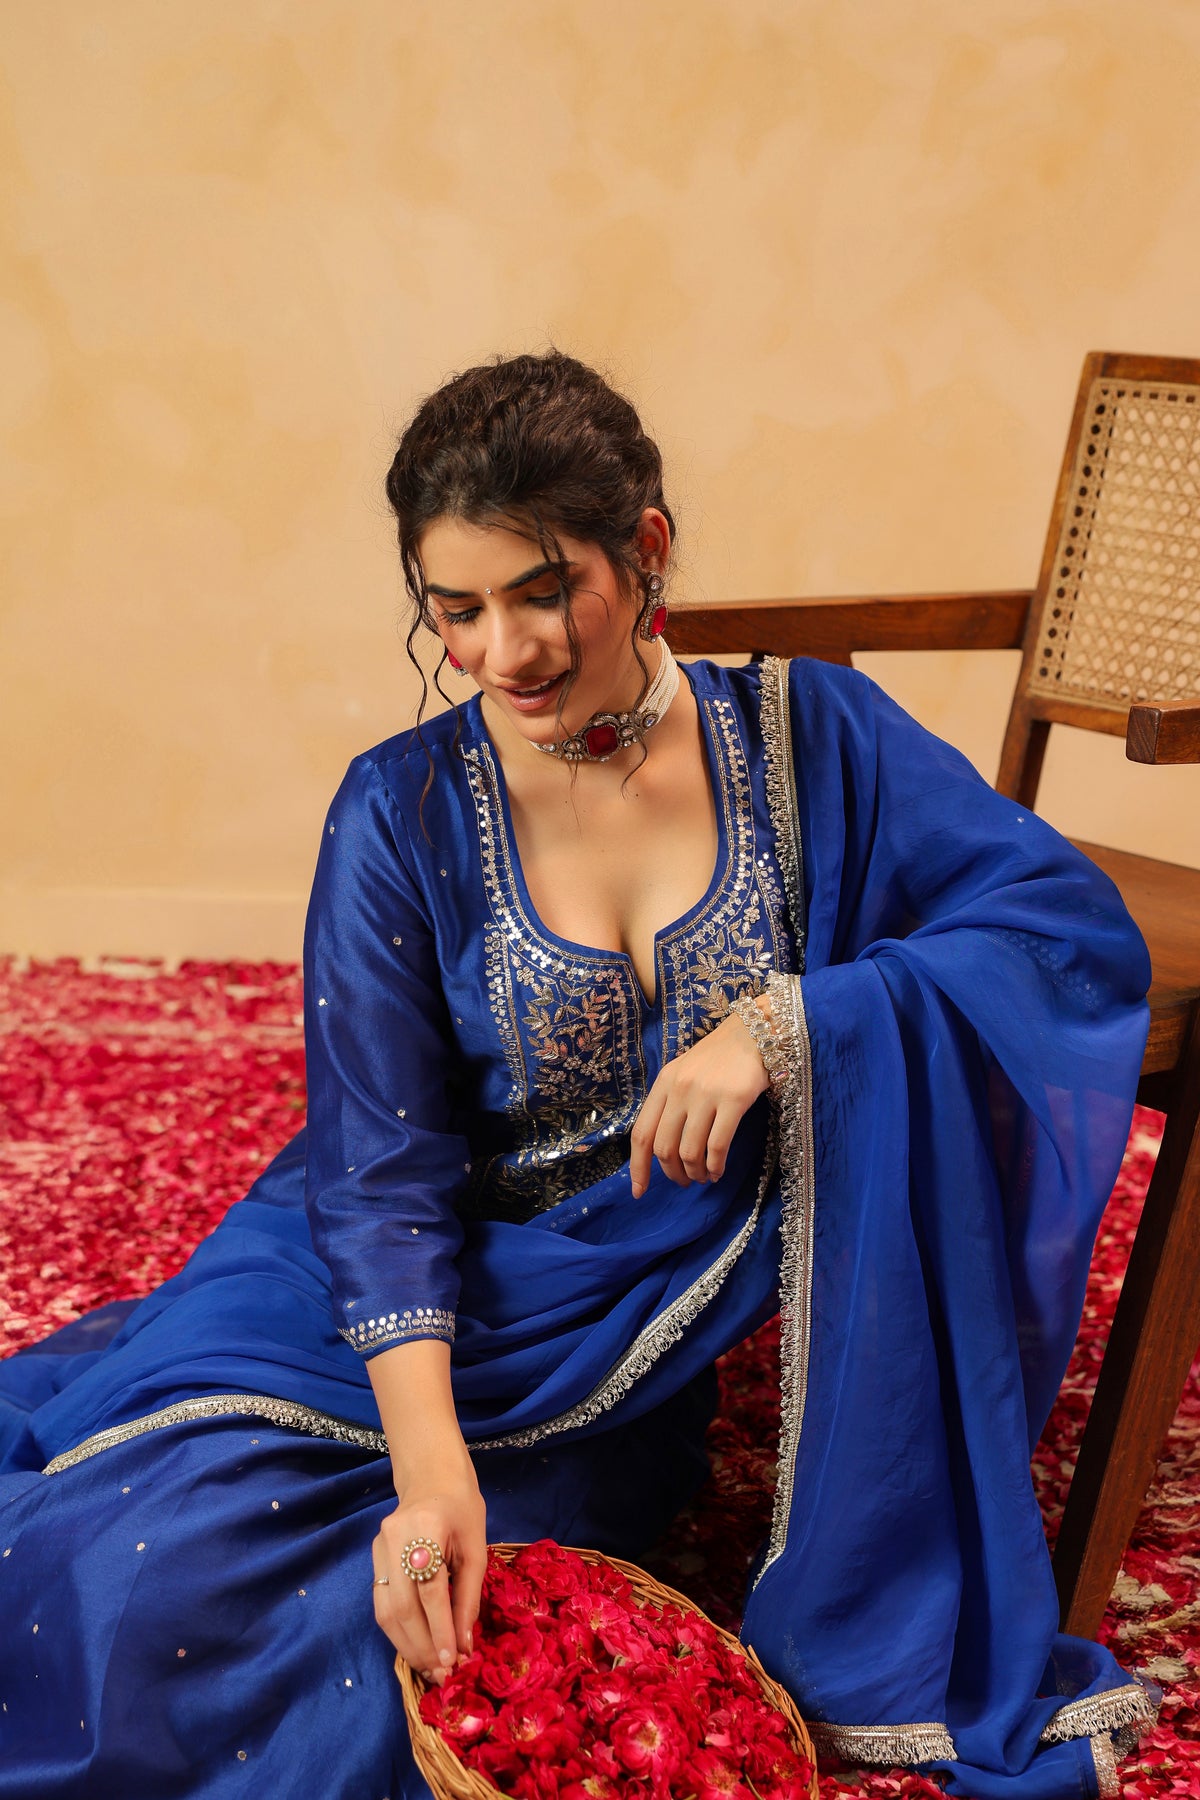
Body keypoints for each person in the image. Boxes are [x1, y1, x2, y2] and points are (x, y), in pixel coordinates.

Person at [0, 351, 1156, 1799]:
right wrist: (431, 1470)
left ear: (645, 549)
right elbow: (379, 1174)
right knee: (136, 1576)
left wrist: (792, 1022)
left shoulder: (811, 741)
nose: (504, 652)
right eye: (456, 610)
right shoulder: (402, 811)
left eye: (544, 592)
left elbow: (1061, 931)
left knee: (419, 1636)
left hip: (625, 1350)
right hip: (387, 1300)